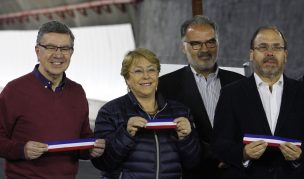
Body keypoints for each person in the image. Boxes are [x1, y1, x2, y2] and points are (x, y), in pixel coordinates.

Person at [0, 20, 105, 178]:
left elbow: (83, 140)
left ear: (71, 52)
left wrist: (91, 148)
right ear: (37, 51)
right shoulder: (14, 91)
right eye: (50, 47)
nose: (58, 54)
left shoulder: (77, 92)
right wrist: (21, 150)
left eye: (65, 48)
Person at [91, 48, 201, 179]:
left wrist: (186, 139)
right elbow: (103, 163)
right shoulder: (110, 112)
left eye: (151, 70)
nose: (146, 76)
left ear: (157, 74)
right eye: (138, 71)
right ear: (127, 78)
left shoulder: (180, 111)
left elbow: (193, 163)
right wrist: (126, 135)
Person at [158, 15, 244, 179]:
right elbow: (166, 139)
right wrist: (219, 154)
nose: (205, 49)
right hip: (192, 173)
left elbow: (250, 126)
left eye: (211, 42)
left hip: (236, 172)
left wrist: (237, 156)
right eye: (196, 44)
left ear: (218, 44)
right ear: (183, 47)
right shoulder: (165, 86)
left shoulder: (240, 82)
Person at [212, 26, 304, 179]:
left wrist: (300, 156)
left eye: (277, 47)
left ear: (285, 55)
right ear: (251, 54)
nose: (270, 53)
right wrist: (243, 154)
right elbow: (219, 144)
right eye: (263, 47)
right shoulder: (231, 93)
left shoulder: (301, 92)